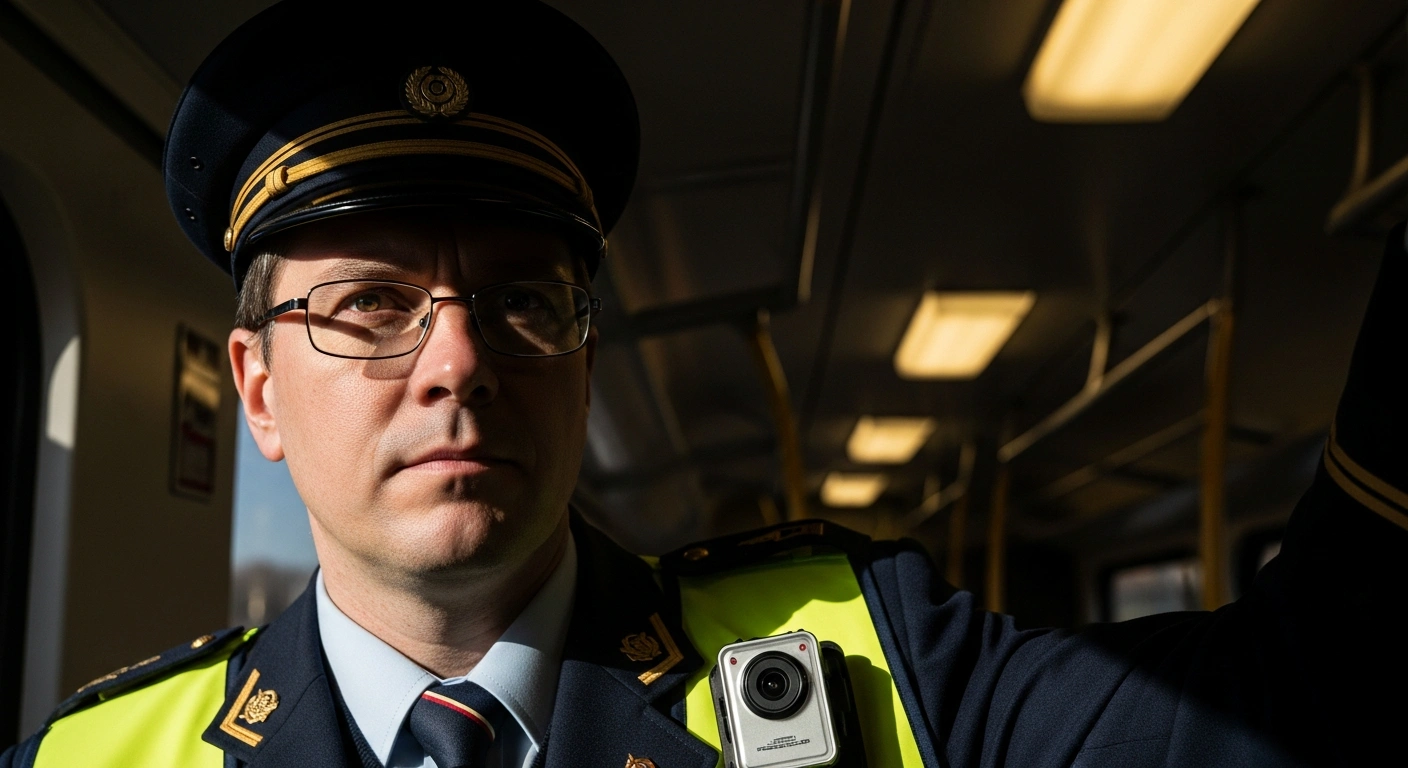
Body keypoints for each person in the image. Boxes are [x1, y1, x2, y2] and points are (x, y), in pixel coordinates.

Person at [4, 0, 1405, 766]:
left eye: (520, 300)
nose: (460, 362)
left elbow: (1310, 701)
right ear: (255, 390)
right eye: (372, 306)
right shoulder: (95, 763)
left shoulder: (879, 662)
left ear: (585, 351)